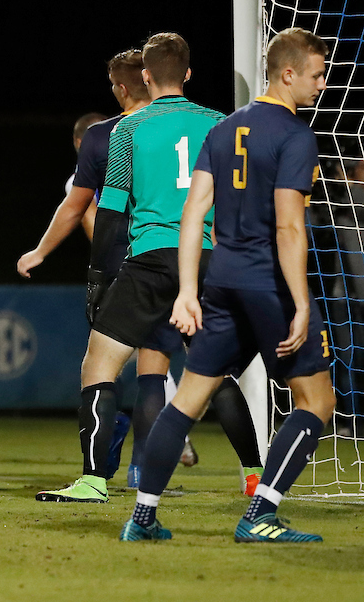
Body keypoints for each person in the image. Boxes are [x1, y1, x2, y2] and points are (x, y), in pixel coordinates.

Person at [121, 28, 334, 542]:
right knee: (315, 402)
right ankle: (260, 513)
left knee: (189, 398)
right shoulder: (295, 135)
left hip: (221, 283)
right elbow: (288, 225)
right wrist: (300, 302)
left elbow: (193, 212)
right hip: (268, 285)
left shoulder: (223, 130)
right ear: (288, 74)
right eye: (317, 74)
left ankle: (142, 518)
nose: (322, 84)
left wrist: (188, 291)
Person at [36, 32, 228, 504]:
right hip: (208, 258)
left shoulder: (129, 129)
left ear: (145, 76)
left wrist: (101, 277)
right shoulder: (222, 125)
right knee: (214, 374)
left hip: (149, 257)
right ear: (188, 73)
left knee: (99, 364)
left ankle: (94, 480)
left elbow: (113, 211)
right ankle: (254, 475)